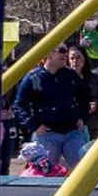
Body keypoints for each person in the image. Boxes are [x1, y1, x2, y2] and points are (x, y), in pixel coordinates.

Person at [13, 41, 88, 170]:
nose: (66, 54)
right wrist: (33, 125)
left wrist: (82, 117)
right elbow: (20, 104)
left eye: (66, 51)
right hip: (47, 134)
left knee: (85, 168)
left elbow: (84, 97)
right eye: (62, 51)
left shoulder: (70, 75)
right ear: (49, 53)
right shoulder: (33, 77)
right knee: (44, 171)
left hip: (72, 132)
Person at [66, 44, 98, 142]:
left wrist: (96, 104)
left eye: (78, 58)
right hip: (71, 123)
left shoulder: (94, 78)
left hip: (92, 122)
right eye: (72, 58)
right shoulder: (63, 79)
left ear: (84, 59)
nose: (75, 61)